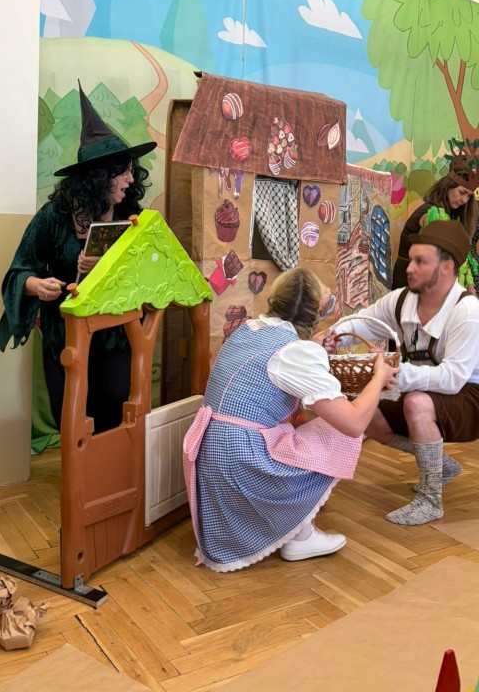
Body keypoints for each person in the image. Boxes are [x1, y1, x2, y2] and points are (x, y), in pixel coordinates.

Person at [182, 267, 398, 573]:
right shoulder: (293, 352)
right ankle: (300, 534)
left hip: (214, 451)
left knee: (302, 423)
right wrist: (378, 377)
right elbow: (353, 424)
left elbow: (272, 371)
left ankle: (294, 529)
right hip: (241, 459)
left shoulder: (248, 330)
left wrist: (313, 346)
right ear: (316, 310)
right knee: (338, 432)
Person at [0, 82, 156, 433]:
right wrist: (38, 286)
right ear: (100, 177)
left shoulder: (133, 217)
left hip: (115, 333)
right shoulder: (54, 217)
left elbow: (150, 273)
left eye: (131, 170)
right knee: (68, 411)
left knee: (113, 408)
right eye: (123, 171)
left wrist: (108, 267)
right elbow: (19, 271)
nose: (131, 179)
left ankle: (109, 471)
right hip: (65, 334)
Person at [328, 219, 479, 526]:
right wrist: (333, 336)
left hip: (470, 397)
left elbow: (452, 379)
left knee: (416, 403)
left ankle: (430, 499)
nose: (409, 268)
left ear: (447, 268)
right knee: (363, 411)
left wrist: (394, 374)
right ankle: (442, 465)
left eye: (420, 262)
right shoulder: (400, 300)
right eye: (411, 260)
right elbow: (363, 322)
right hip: (424, 387)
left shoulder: (468, 312)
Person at [392, 142, 478, 290]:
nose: (464, 200)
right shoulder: (430, 213)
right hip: (411, 282)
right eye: (462, 193)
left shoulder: (453, 215)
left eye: (469, 196)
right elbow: (442, 256)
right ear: (448, 186)